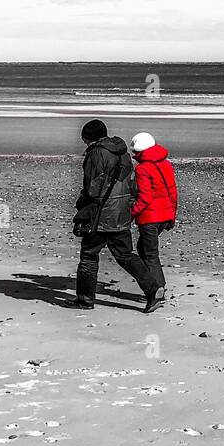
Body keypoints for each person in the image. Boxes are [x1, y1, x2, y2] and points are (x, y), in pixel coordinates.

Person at [73, 119, 160, 313]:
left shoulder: (96, 153)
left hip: (102, 214)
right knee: (125, 255)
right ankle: (153, 290)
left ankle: (84, 300)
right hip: (122, 211)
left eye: (84, 138)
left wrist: (81, 205)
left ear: (89, 137)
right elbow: (131, 183)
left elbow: (93, 188)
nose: (84, 142)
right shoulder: (124, 154)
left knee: (88, 255)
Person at [129, 131, 178, 304]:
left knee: (149, 254)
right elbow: (172, 191)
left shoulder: (142, 168)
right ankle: (158, 286)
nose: (134, 156)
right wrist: (172, 214)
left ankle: (158, 289)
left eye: (135, 152)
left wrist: (131, 213)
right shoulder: (166, 164)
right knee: (144, 249)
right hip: (165, 216)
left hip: (150, 218)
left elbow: (145, 198)